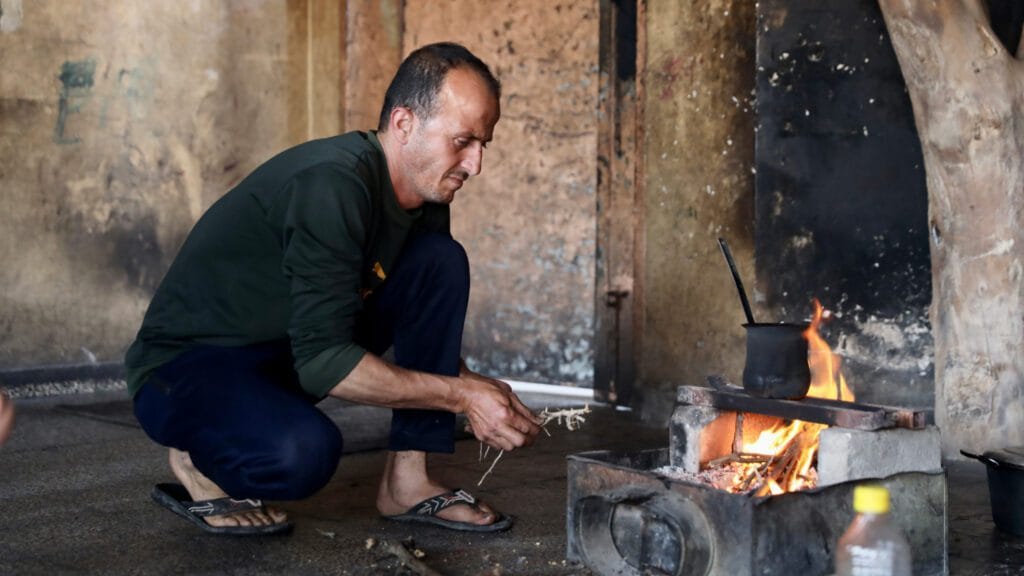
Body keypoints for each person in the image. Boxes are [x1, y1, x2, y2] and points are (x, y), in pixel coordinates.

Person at [125, 42, 542, 536]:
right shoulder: (332, 185)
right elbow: (326, 361)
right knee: (301, 455)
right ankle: (199, 455)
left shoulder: (424, 191)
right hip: (189, 366)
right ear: (405, 124)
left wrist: (478, 391)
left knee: (439, 261)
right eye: (462, 141)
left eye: (483, 145)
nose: (475, 165)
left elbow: (420, 326)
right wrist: (461, 397)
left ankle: (407, 482)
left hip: (285, 352)